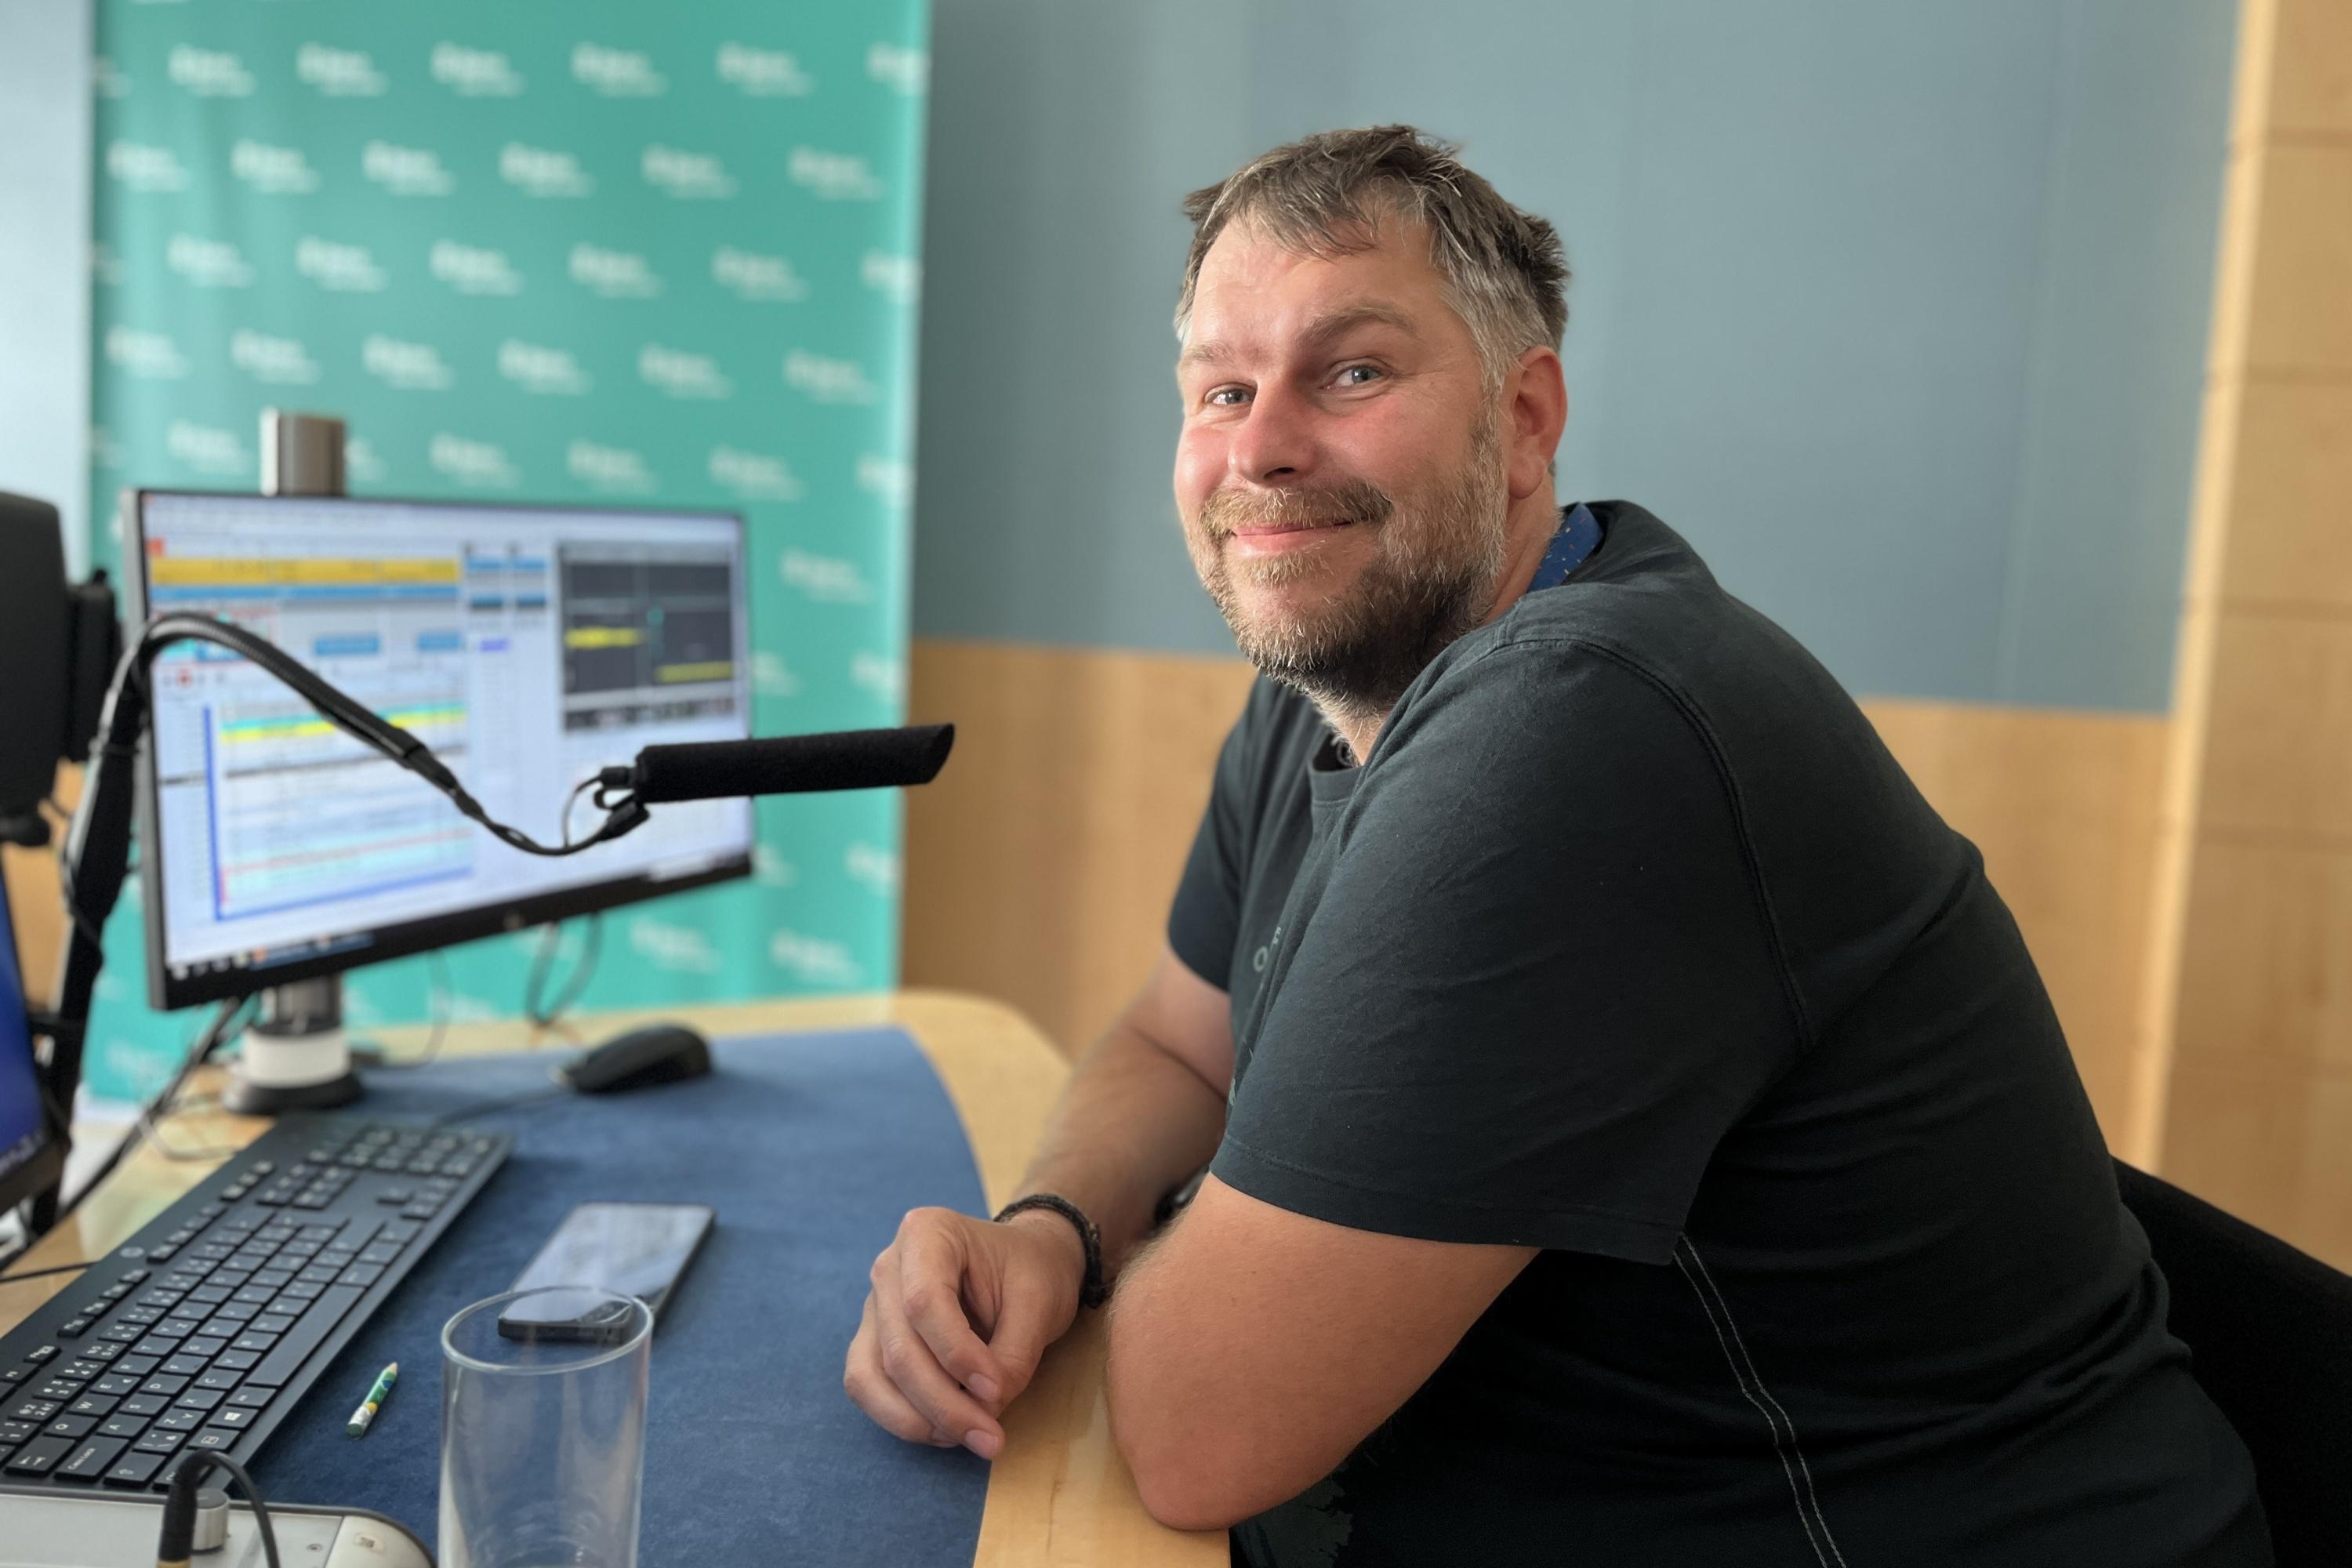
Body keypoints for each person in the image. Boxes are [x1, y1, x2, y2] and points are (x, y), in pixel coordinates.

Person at [844, 125, 2272, 1566]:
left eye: (1352, 372)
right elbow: (1179, 1046)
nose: (1262, 445)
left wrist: (1191, 1239)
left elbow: (1196, 1427)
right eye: (1222, 389)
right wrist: (1052, 1232)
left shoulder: (1582, 722)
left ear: (1524, 420)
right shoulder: (1326, 689)